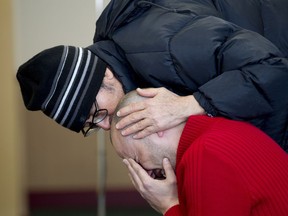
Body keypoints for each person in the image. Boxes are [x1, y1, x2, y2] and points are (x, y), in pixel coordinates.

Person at [17, 0, 288, 150]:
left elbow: (271, 69)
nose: (105, 126)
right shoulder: (133, 58)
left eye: (95, 113)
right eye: (90, 126)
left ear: (105, 77)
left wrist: (189, 105)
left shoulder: (168, 44)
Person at [110, 91, 288, 216]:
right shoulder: (216, 132)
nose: (145, 173)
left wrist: (169, 205)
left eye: (136, 159)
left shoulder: (205, 155)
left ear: (154, 128)